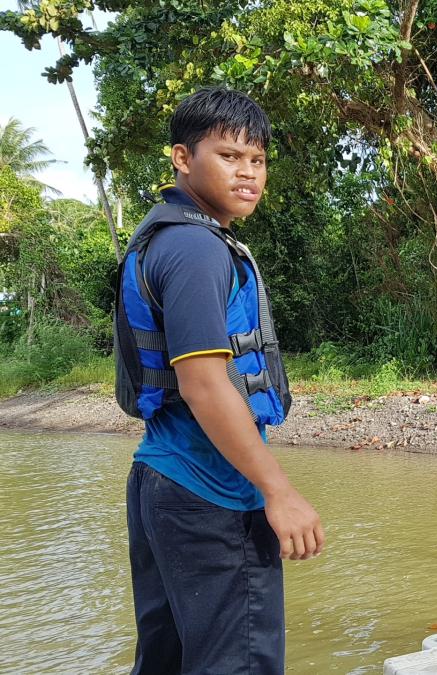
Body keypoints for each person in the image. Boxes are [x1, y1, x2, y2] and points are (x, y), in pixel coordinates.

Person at [113, 87, 324, 674]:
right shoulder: (195, 249)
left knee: (167, 660)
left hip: (163, 479)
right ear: (183, 158)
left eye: (257, 161)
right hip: (210, 492)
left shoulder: (164, 238)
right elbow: (205, 385)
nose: (247, 173)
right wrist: (278, 492)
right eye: (229, 156)